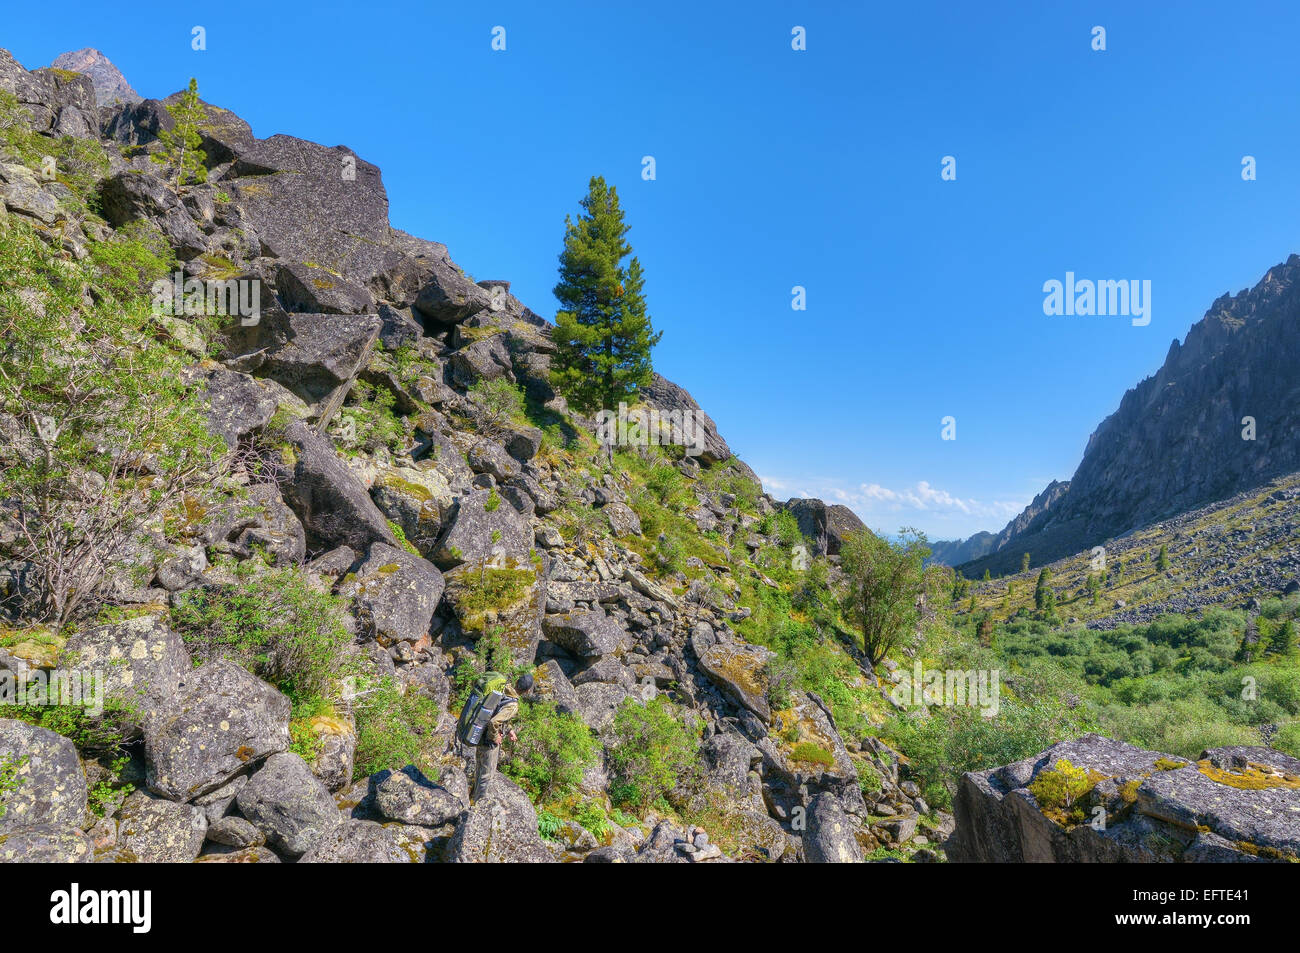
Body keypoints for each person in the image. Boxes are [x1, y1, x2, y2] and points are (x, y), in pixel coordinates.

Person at [472, 672, 534, 802]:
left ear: (517, 682)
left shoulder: (503, 689)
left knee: (479, 770)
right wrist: (495, 737)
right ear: (527, 691)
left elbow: (497, 710)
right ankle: (479, 808)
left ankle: (472, 799)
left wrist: (510, 730)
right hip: (489, 743)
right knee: (486, 776)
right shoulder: (513, 705)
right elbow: (494, 721)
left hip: (479, 734)